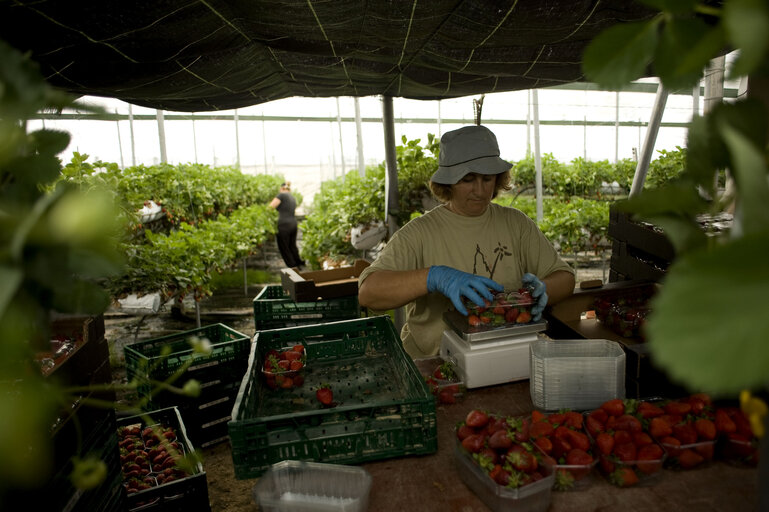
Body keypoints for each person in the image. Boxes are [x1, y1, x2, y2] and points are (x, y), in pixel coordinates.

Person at [358, 125, 575, 358]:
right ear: (448, 182)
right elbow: (369, 292)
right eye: (468, 179)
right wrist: (433, 277)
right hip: (436, 366)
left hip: (507, 356)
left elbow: (565, 277)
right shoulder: (418, 234)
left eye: (487, 178)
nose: (480, 191)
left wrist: (542, 291)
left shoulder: (516, 224)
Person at [269, 181, 305, 269]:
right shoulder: (292, 197)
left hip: (283, 225)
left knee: (284, 247)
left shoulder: (281, 195)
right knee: (292, 245)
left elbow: (270, 207)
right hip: (293, 223)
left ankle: (293, 266)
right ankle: (299, 263)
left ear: (282, 189)